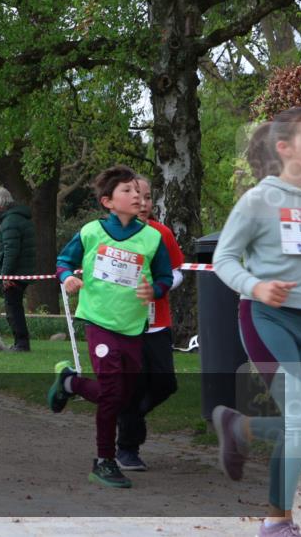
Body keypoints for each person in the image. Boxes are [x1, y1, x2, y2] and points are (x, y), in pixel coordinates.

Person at [47, 165, 173, 488]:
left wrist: (154, 290)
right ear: (108, 201)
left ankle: (71, 384)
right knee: (113, 391)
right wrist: (68, 277)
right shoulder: (91, 232)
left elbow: (165, 277)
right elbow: (62, 261)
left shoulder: (152, 238)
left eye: (138, 191)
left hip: (132, 327)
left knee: (124, 394)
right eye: (127, 191)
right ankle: (104, 460)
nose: (137, 197)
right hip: (99, 322)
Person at [212, 109, 301, 537]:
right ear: (284, 148)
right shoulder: (258, 201)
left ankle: (241, 427)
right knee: (300, 416)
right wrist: (256, 286)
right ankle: (277, 520)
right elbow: (223, 259)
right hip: (268, 318)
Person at [115, 175, 185, 471]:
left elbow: (178, 270)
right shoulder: (112, 233)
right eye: (136, 196)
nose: (142, 203)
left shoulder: (162, 233)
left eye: (146, 197)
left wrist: (160, 286)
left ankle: (132, 417)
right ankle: (127, 448)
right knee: (133, 383)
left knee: (165, 382)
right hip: (124, 322)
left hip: (158, 321)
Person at [0, 187, 37, 352]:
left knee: (13, 307)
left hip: (16, 272)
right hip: (24, 269)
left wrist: (5, 275)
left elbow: (11, 250)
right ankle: (21, 342)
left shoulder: (10, 222)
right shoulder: (22, 219)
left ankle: (21, 343)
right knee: (15, 306)